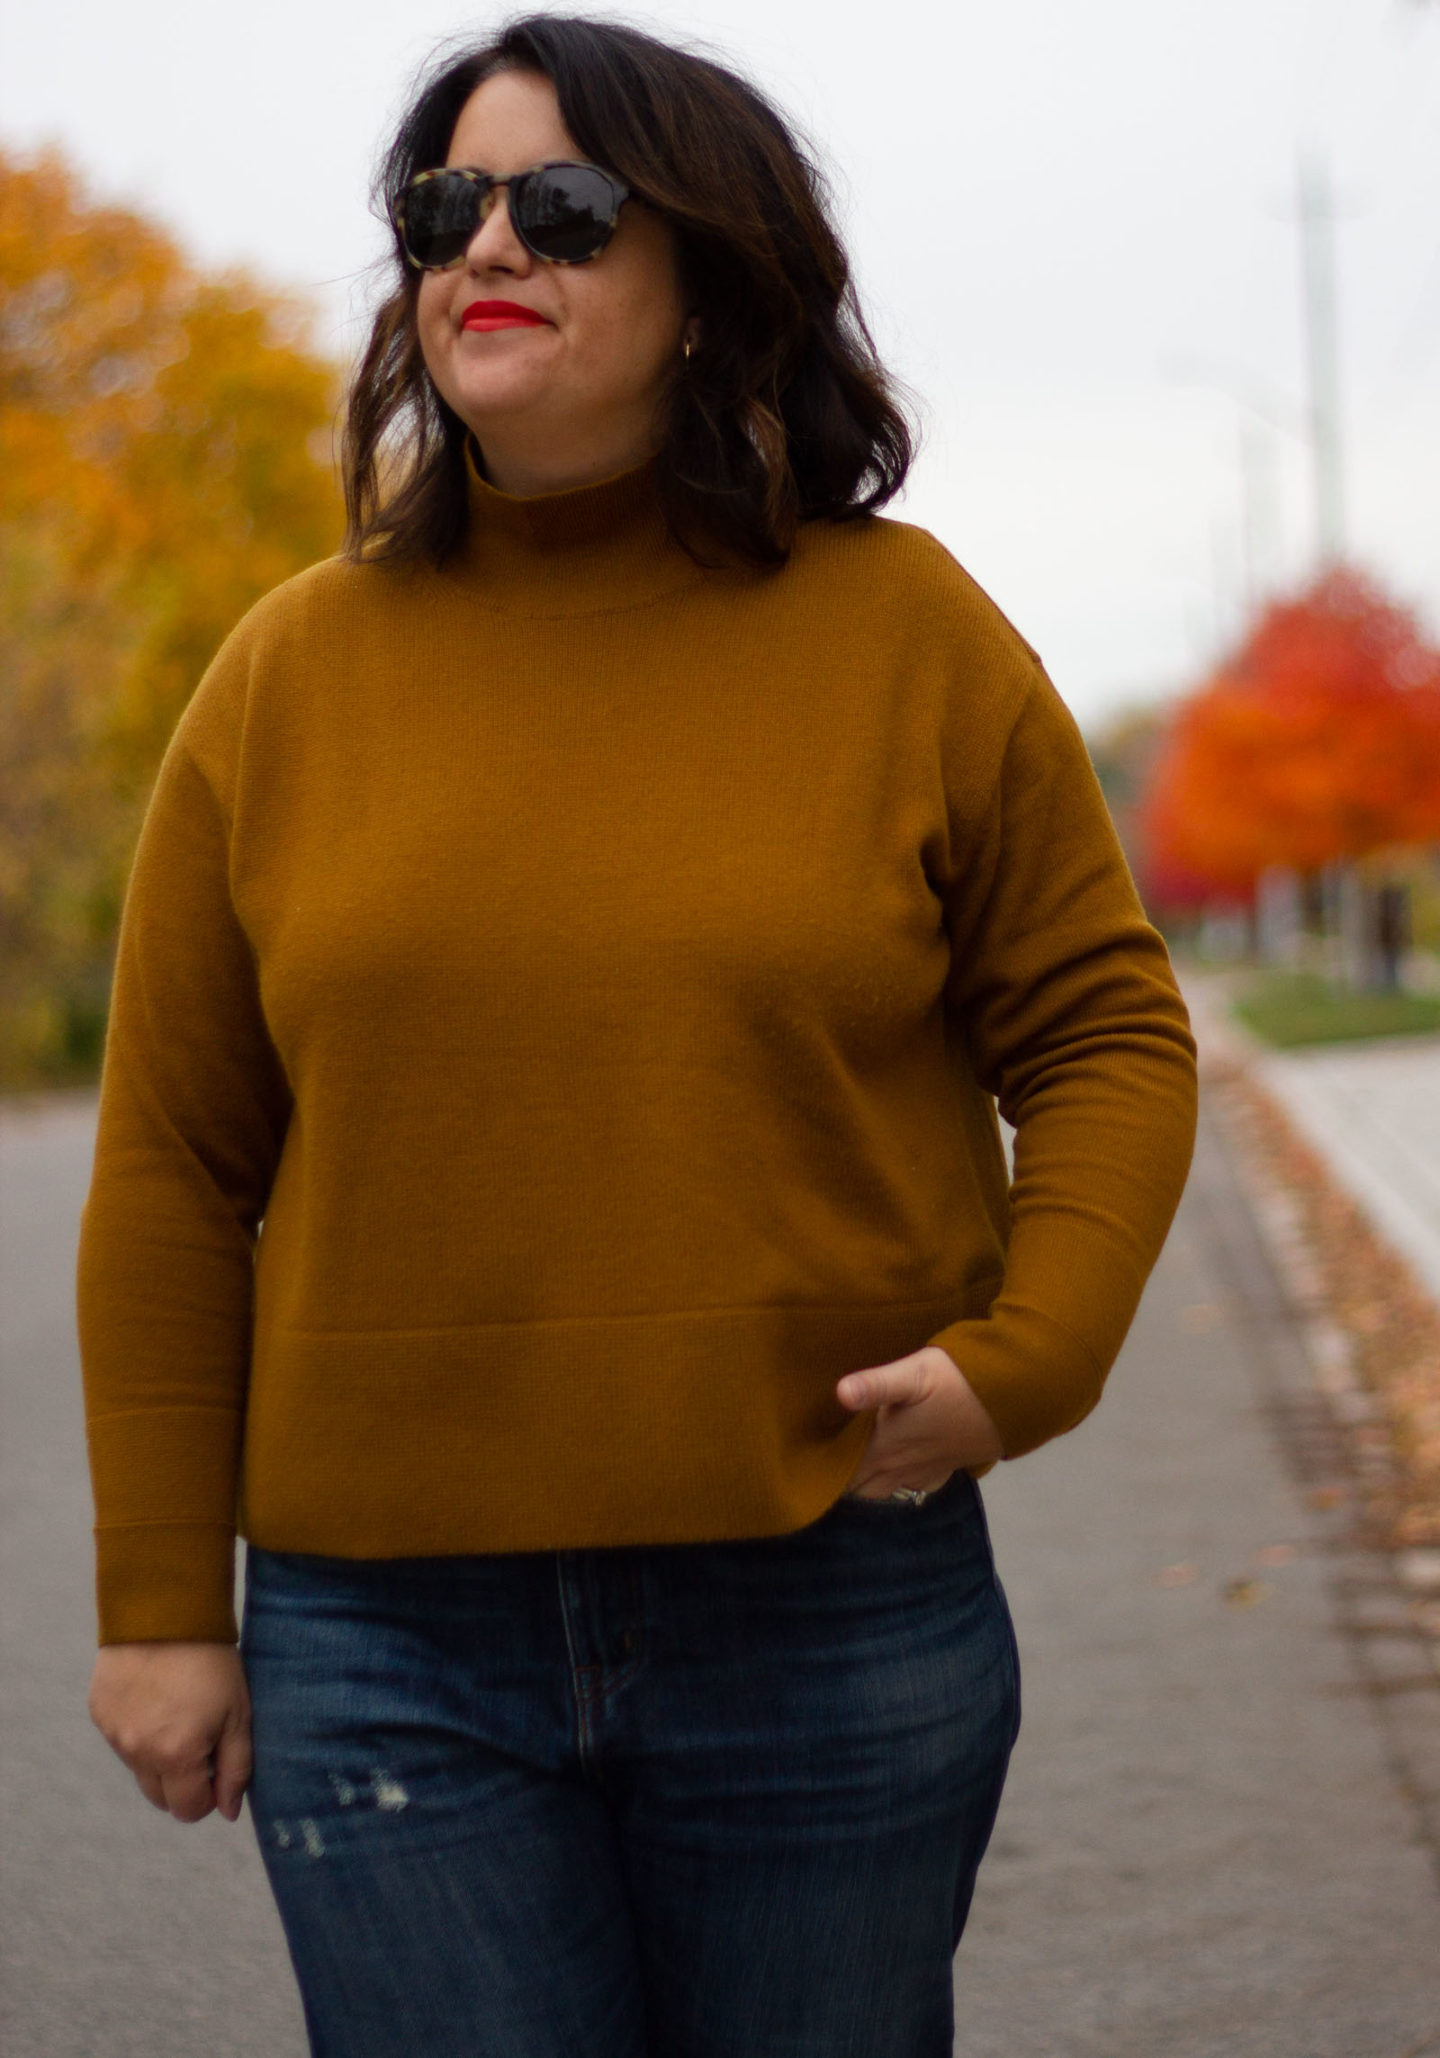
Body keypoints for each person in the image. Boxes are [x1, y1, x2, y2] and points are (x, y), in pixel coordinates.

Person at [79, 15, 1198, 2056]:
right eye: (446, 207)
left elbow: (1106, 1030)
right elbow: (171, 1162)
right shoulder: (284, 680)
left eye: (564, 204)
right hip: (382, 1628)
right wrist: (162, 1602)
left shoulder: (909, 637)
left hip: (829, 1596)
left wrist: (1030, 1359)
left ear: (712, 284)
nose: (486, 243)